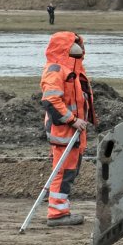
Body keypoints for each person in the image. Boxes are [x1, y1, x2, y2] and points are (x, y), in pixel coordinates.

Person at [39, 31, 95, 226]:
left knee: (69, 171)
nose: (78, 48)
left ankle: (61, 209)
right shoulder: (56, 70)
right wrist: (72, 120)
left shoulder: (73, 68)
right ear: (64, 47)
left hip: (75, 131)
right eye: (74, 44)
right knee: (63, 172)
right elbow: (51, 100)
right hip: (64, 130)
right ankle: (57, 213)